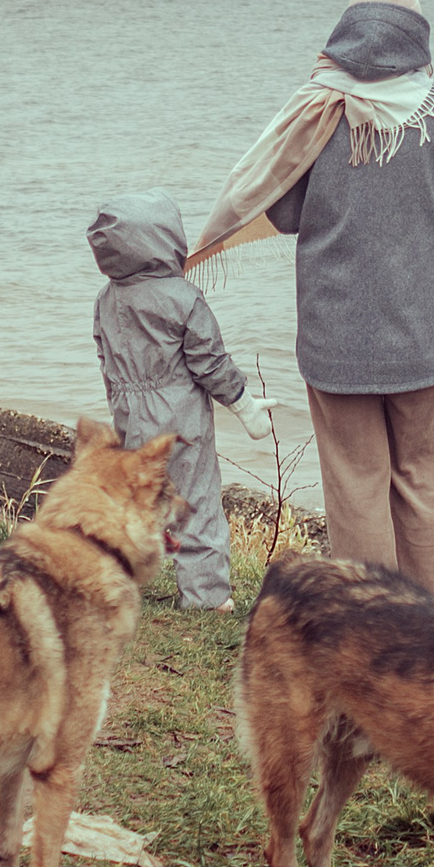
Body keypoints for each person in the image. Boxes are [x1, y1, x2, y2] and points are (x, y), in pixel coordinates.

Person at [187, 0, 434, 598]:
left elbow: (286, 209)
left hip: (336, 339)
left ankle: (371, 634)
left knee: (356, 487)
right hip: (423, 338)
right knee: (426, 482)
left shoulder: (314, 112)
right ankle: (433, 630)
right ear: (413, 34)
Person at [89, 189, 279, 610]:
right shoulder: (182, 297)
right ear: (166, 240)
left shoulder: (106, 299)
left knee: (139, 499)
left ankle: (117, 580)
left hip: (129, 414)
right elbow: (209, 362)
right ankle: (206, 596)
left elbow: (105, 358)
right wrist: (244, 404)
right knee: (197, 501)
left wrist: (124, 406)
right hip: (179, 417)